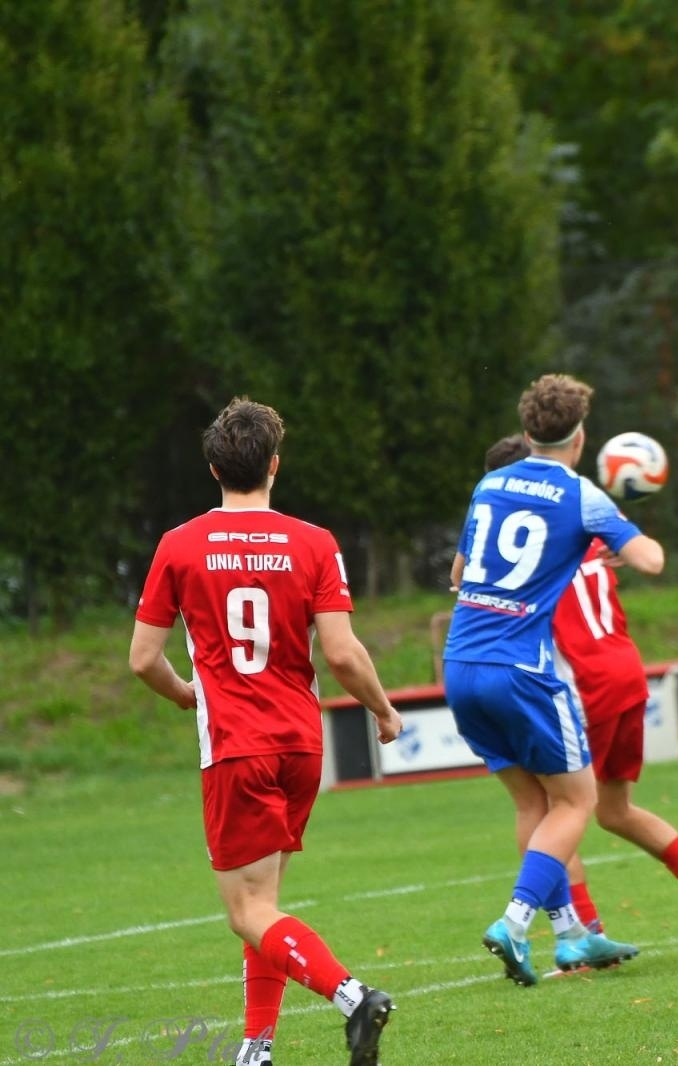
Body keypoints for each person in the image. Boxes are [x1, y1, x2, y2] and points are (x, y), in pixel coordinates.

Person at [129, 398, 402, 1066]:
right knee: (266, 905)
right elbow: (340, 653)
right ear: (274, 465)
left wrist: (185, 693)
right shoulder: (314, 541)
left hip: (235, 746)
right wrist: (383, 708)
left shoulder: (180, 545)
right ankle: (256, 1048)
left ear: (213, 468)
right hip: (300, 745)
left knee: (247, 911)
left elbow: (142, 659)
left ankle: (352, 996)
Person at [455, 435, 678, 957]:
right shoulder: (583, 530)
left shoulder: (526, 554)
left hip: (581, 681)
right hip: (625, 672)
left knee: (551, 808)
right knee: (613, 810)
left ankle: (578, 934)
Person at [443, 375, 662, 987]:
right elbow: (652, 561)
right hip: (522, 669)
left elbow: (460, 574)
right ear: (581, 434)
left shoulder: (489, 484)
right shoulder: (582, 494)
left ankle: (569, 934)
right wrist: (619, 533)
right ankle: (515, 921)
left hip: (461, 663)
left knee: (532, 803)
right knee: (577, 800)